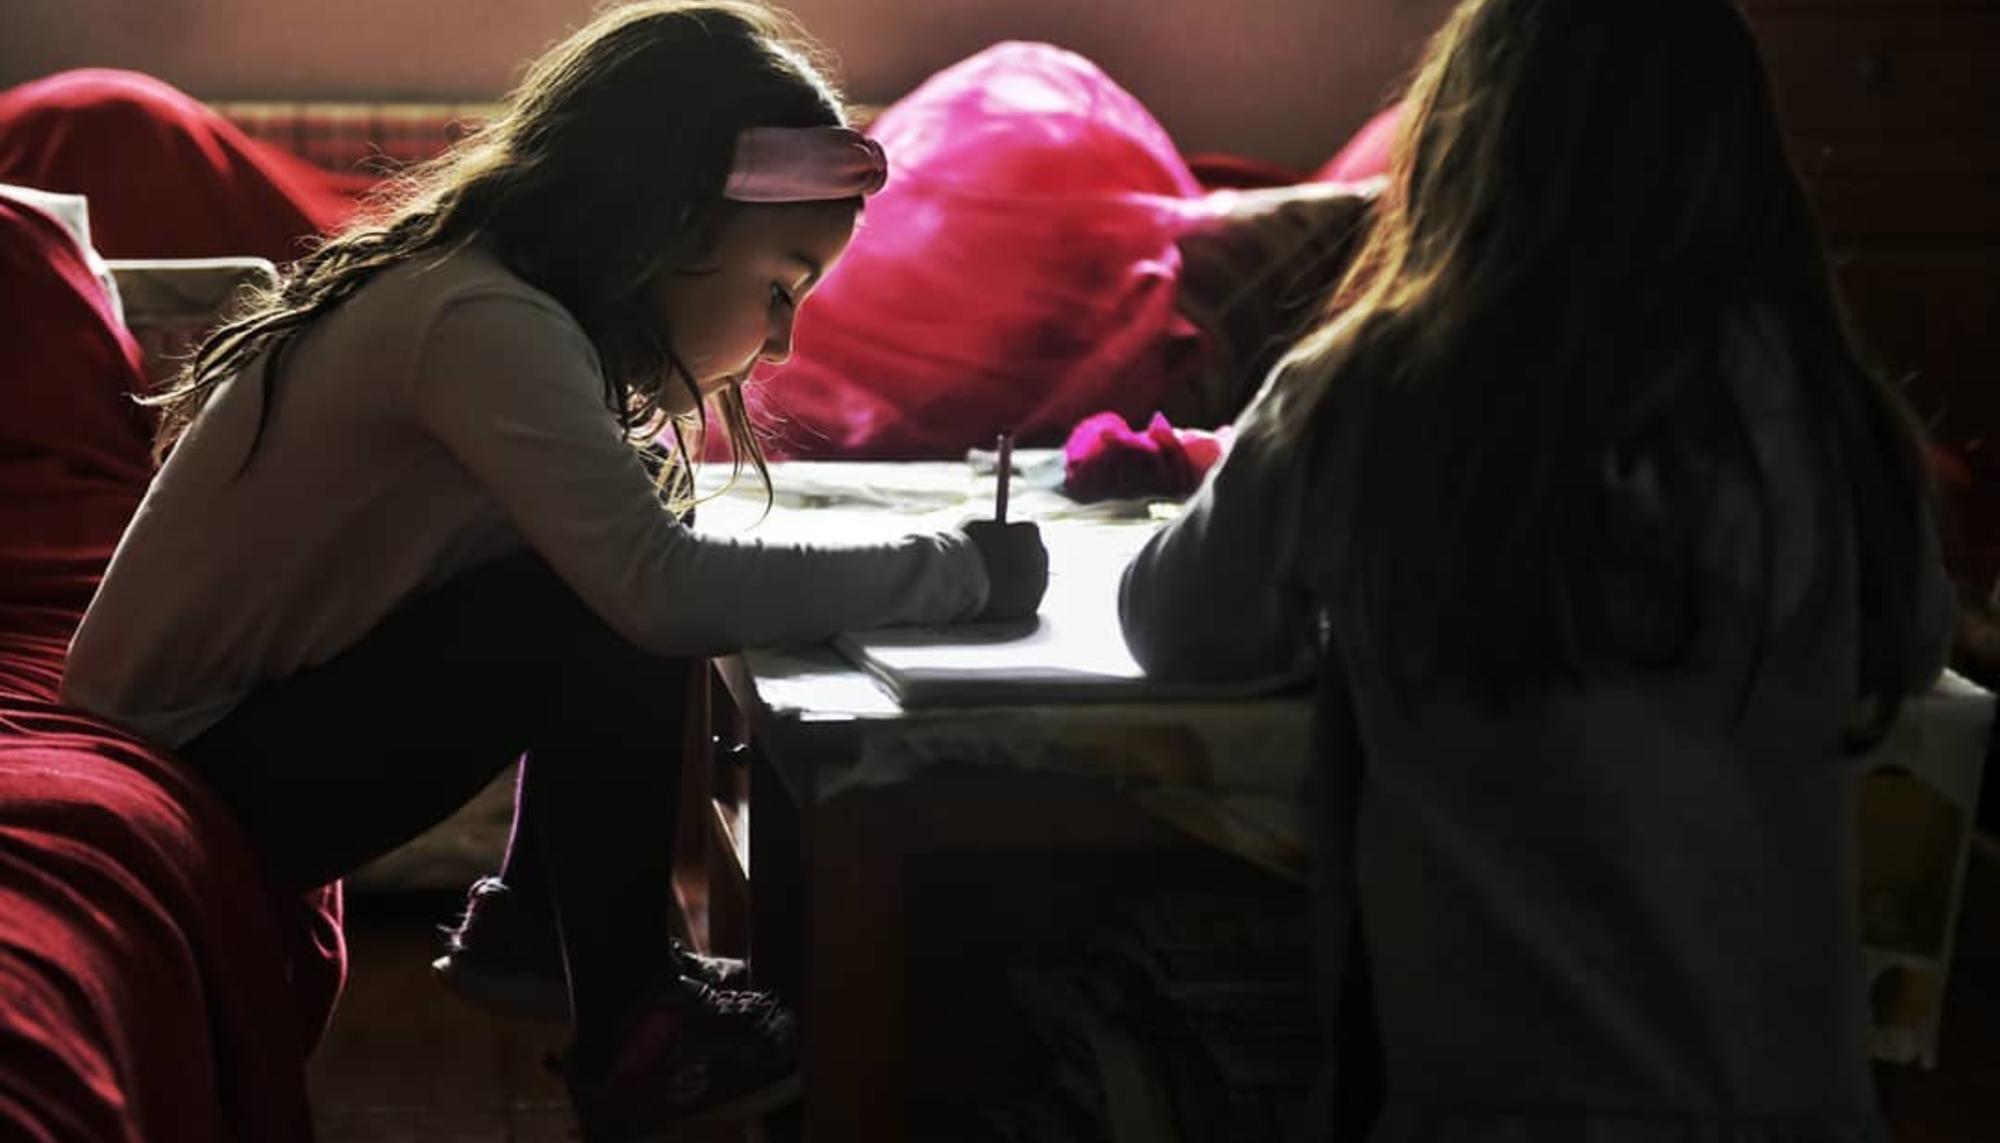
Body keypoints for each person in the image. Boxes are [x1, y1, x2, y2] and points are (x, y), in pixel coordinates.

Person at [56, 1, 1048, 1136]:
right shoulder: (479, 319)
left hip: (231, 741)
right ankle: (629, 1022)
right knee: (620, 600)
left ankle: (538, 925)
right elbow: (659, 588)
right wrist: (953, 571)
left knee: (600, 573)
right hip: (200, 770)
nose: (777, 344)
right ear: (668, 223)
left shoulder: (492, 304)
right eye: (782, 286)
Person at [1118, 0, 1956, 1138]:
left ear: (1466, 141)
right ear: (1741, 162)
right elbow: (1910, 642)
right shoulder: (1823, 410)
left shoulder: (1373, 389)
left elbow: (1181, 623)